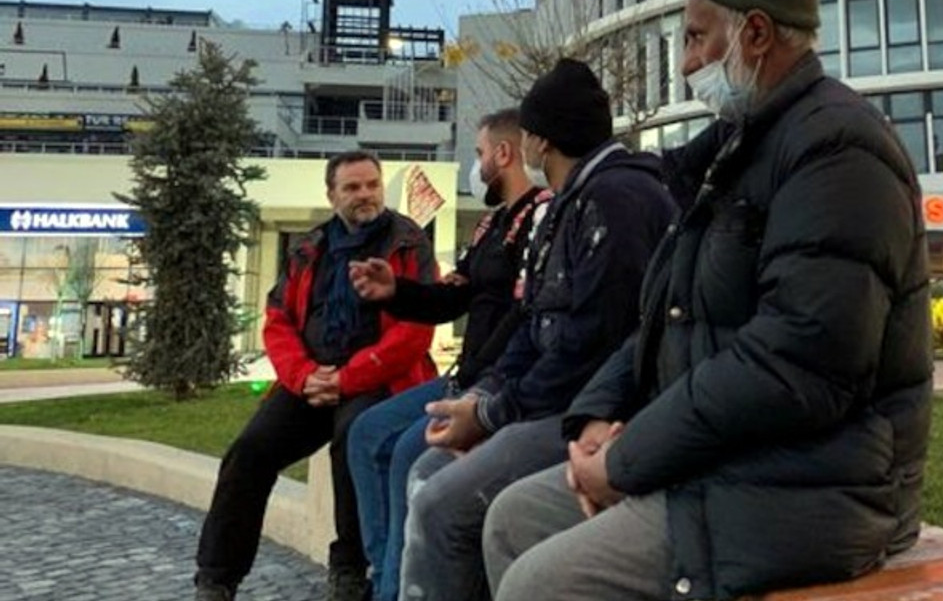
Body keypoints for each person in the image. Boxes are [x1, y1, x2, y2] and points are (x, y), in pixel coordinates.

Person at [482, 0, 934, 601]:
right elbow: (664, 317)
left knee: (538, 586)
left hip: (816, 487)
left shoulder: (839, 150)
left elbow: (799, 361)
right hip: (724, 460)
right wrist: (597, 419)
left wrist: (628, 460)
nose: (686, 64)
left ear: (755, 34)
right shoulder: (732, 153)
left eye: (695, 38)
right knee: (511, 520)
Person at [397, 58, 678, 601]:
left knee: (436, 496)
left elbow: (590, 346)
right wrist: (485, 398)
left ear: (539, 141)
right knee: (427, 464)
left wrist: (489, 415)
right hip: (549, 401)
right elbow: (534, 323)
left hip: (589, 413)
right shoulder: (575, 203)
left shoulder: (614, 201)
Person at [194, 151, 438, 601]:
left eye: (372, 185)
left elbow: (415, 330)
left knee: (353, 440)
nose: (365, 195)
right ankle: (216, 577)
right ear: (332, 195)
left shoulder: (408, 242)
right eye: (352, 187)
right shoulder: (309, 248)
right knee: (248, 453)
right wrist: (304, 376)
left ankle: (348, 570)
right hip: (310, 379)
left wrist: (347, 378)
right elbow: (278, 317)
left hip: (376, 379)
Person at [345, 108, 545, 601]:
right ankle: (383, 568)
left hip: (495, 382)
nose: (476, 168)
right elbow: (453, 297)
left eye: (478, 155)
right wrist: (398, 291)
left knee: (410, 453)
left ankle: (397, 587)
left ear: (503, 154)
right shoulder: (491, 225)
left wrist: (482, 390)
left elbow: (528, 314)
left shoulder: (541, 215)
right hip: (464, 375)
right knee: (366, 433)